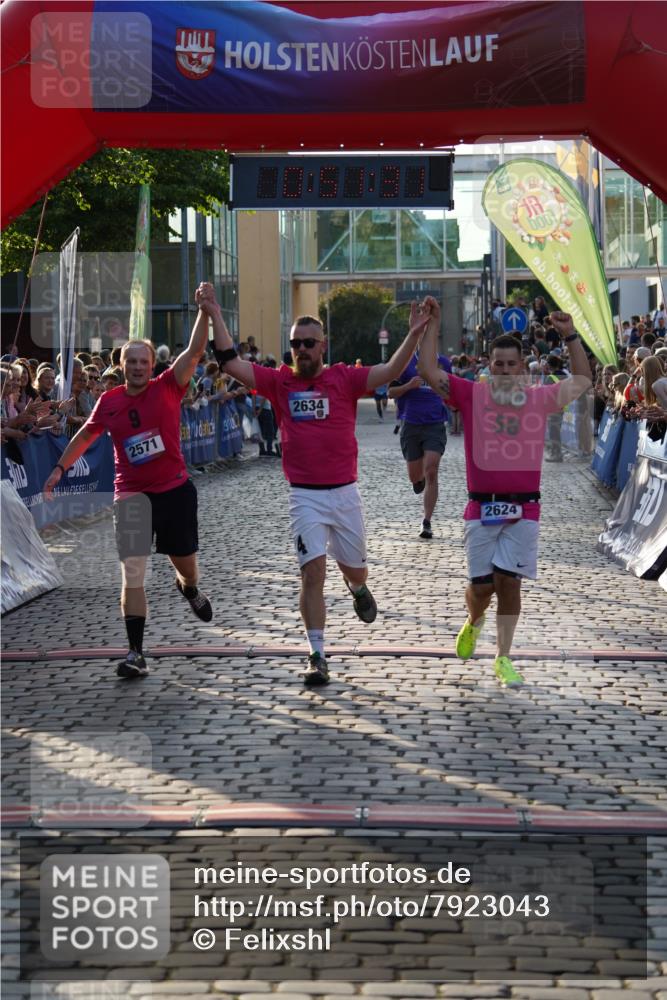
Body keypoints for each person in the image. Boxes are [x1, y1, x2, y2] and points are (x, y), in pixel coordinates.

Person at [198, 282, 431, 686]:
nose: (302, 349)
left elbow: (391, 371)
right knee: (312, 574)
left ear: (323, 346)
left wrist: (413, 334)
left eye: (309, 343)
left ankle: (357, 588)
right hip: (304, 496)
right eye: (296, 344)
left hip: (344, 493)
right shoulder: (279, 381)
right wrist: (215, 313)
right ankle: (317, 654)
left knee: (356, 571)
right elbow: (230, 362)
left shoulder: (344, 378)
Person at [42, 287, 216, 681]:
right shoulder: (109, 402)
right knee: (132, 572)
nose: (138, 367)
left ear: (153, 365)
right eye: (131, 362)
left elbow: (194, 351)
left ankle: (189, 589)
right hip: (131, 495)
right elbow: (85, 435)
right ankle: (136, 652)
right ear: (122, 366)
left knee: (186, 566)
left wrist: (205, 311)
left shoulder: (168, 386)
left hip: (174, 490)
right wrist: (59, 469)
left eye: (144, 361)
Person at [418, 300, 591, 688]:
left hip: (524, 508)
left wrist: (570, 335)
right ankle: (473, 620)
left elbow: (582, 381)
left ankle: (503, 657)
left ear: (522, 366)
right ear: (489, 365)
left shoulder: (538, 398)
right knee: (482, 588)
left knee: (509, 582)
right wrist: (432, 325)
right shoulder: (472, 395)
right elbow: (428, 370)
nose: (505, 370)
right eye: (499, 364)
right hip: (481, 508)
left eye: (512, 364)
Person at [388, 346, 452, 540]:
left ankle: (427, 521)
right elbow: (390, 392)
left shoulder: (444, 363)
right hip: (411, 424)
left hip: (435, 424)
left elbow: (452, 390)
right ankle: (419, 480)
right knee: (415, 476)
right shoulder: (405, 363)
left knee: (432, 470)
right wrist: (408, 386)